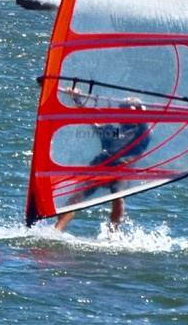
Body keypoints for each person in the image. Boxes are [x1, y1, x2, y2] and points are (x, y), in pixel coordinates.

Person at [53, 96, 153, 234]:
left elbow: (144, 119)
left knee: (118, 198)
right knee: (75, 197)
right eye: (121, 111)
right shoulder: (112, 131)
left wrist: (140, 108)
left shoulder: (142, 133)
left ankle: (112, 235)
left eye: (127, 111)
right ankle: (57, 230)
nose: (123, 114)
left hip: (121, 171)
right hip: (100, 166)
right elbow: (90, 118)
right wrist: (77, 99)